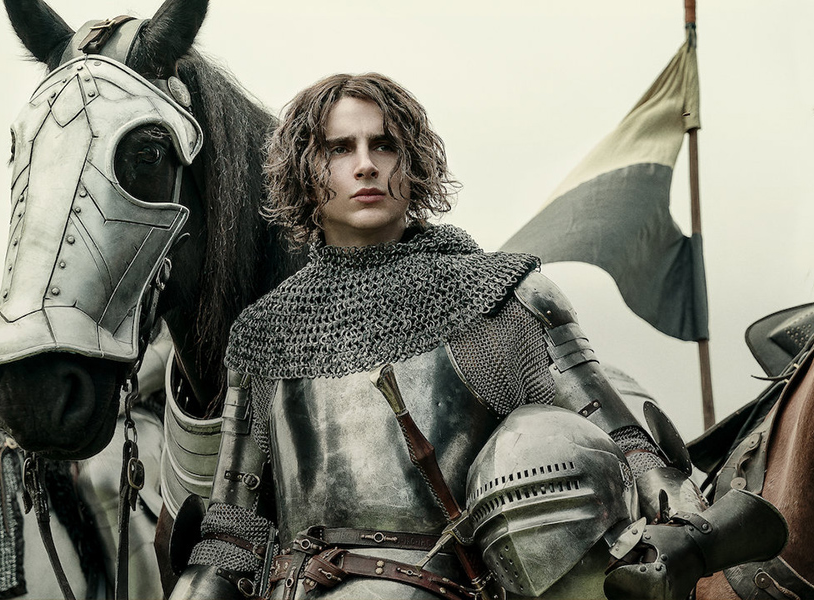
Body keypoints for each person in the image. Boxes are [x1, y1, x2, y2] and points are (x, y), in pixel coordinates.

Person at [170, 73, 786, 600]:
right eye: (339, 148)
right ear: (307, 172)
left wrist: (683, 528)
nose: (366, 164)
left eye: (384, 144)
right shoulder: (264, 334)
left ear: (412, 164)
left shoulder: (497, 296)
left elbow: (622, 443)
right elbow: (233, 531)